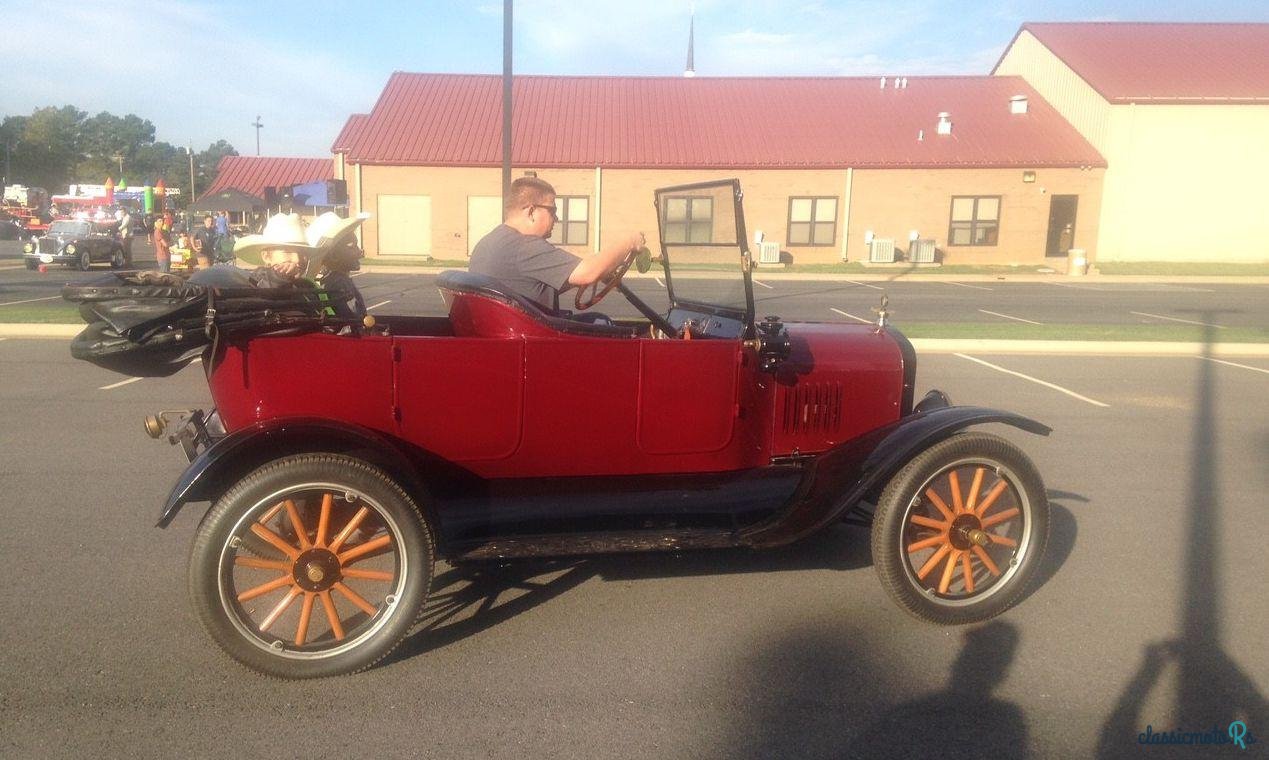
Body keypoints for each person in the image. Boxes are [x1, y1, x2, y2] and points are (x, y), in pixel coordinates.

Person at [468, 177, 643, 314]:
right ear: (531, 212)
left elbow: (534, 285)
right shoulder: (524, 247)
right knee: (603, 324)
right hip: (537, 344)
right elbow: (588, 272)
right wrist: (629, 240)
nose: (557, 219)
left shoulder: (489, 242)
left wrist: (601, 271)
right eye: (552, 211)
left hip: (511, 335)